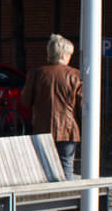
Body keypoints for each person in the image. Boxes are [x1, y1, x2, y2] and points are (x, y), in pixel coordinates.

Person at [21, 34, 82, 178]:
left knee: (44, 167)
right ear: (66, 55)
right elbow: (82, 106)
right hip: (68, 129)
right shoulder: (76, 75)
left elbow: (25, 101)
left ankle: (48, 198)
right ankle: (67, 197)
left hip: (42, 127)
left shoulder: (36, 74)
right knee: (66, 166)